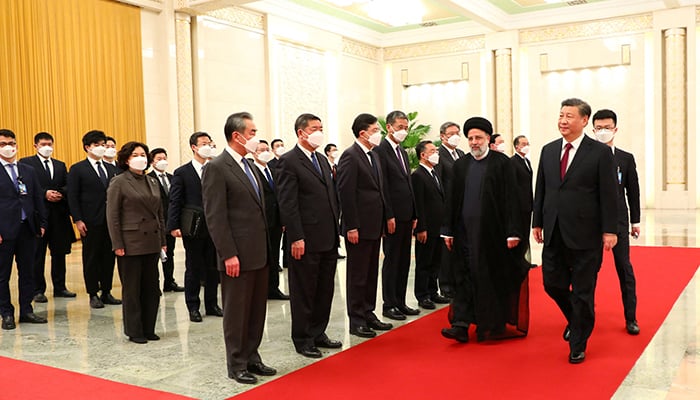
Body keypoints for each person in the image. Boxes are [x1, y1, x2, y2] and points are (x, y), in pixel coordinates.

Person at [533, 98, 618, 364]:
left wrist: (610, 230)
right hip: (554, 230)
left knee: (583, 290)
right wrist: (537, 221)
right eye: (561, 115)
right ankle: (578, 318)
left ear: (584, 121)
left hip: (586, 234)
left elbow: (609, 194)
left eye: (569, 116)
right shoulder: (548, 150)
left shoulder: (600, 153)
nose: (563, 120)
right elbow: (542, 189)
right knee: (552, 284)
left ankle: (578, 342)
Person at [202, 111, 276, 385]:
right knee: (237, 311)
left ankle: (252, 355)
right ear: (237, 135)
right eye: (253, 133)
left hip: (259, 252)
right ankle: (236, 363)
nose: (256, 138)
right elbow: (215, 216)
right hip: (237, 254)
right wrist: (228, 253)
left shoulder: (252, 166)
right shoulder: (217, 167)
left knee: (256, 309)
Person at [441, 117, 529, 344]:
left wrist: (513, 232)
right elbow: (452, 200)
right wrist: (448, 230)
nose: (473, 142)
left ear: (488, 139)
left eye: (478, 138)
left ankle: (489, 325)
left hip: (493, 235)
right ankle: (460, 325)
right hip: (463, 234)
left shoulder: (502, 163)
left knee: (488, 277)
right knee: (463, 276)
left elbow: (512, 200)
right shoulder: (460, 165)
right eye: (470, 138)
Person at [277, 113, 342, 358]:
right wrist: (296, 237)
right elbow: (288, 203)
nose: (319, 132)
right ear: (301, 132)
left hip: (327, 236)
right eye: (315, 128)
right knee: (304, 290)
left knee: (324, 289)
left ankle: (318, 332)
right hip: (305, 238)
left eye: (321, 127)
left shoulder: (322, 160)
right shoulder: (289, 161)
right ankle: (303, 338)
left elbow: (330, 197)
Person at [336, 113, 393, 338]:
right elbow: (346, 193)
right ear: (363, 133)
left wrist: (387, 216)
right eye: (375, 130)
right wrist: (351, 226)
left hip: (374, 224)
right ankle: (356, 319)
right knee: (358, 274)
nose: (378, 134)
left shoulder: (373, 155)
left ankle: (369, 313)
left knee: (370, 273)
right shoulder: (350, 156)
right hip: (358, 226)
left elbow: (380, 189)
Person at [107, 142, 165, 344]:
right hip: (130, 242)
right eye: (135, 154)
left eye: (143, 154)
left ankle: (149, 327)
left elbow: (160, 214)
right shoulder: (119, 182)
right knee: (132, 289)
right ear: (126, 159)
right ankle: (134, 330)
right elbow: (112, 215)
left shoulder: (153, 181)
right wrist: (117, 244)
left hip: (152, 240)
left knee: (151, 287)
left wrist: (163, 241)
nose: (140, 157)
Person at [591, 108, 640, 335]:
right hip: (591, 223)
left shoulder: (625, 159)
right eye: (599, 128)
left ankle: (631, 317)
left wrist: (635, 222)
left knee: (624, 269)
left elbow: (633, 192)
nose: (603, 131)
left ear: (615, 129)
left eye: (607, 128)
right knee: (588, 272)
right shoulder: (585, 157)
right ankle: (581, 320)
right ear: (593, 130)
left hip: (619, 222)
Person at [167, 132, 222, 322]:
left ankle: (212, 304)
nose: (208, 146)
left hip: (215, 226)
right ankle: (193, 306)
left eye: (210, 143)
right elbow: (175, 200)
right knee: (194, 267)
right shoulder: (182, 172)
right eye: (204, 143)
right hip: (193, 227)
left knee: (213, 267)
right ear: (194, 147)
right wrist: (173, 225)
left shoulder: (216, 168)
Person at [19, 132, 76, 303]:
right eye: (43, 144)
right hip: (38, 216)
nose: (47, 147)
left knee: (59, 253)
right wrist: (44, 193)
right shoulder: (26, 163)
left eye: (50, 144)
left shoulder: (60, 165)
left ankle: (60, 287)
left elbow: (68, 184)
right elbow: (25, 186)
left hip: (58, 215)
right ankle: (38, 290)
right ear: (35, 146)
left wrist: (60, 193)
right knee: (37, 254)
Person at [0, 129, 48, 330]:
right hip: (4, 231)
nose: (8, 147)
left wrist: (42, 223)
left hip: (28, 228)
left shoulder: (27, 170)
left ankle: (27, 309)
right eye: (3, 144)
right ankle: (6, 313)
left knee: (27, 272)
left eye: (11, 142)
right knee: (2, 274)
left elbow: (37, 197)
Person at [373, 110, 419, 321]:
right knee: (392, 260)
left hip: (407, 214)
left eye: (406, 127)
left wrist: (415, 213)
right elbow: (384, 187)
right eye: (400, 127)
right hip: (393, 216)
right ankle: (388, 304)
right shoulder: (381, 151)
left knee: (403, 261)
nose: (403, 131)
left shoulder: (401, 151)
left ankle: (400, 301)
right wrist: (388, 215)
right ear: (389, 127)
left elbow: (408, 184)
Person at [67, 130, 120, 309]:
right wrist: (78, 219)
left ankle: (106, 291)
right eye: (97, 145)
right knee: (91, 257)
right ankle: (93, 293)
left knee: (108, 257)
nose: (101, 148)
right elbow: (73, 196)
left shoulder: (112, 168)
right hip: (90, 221)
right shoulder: (78, 169)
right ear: (87, 147)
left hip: (110, 221)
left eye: (103, 145)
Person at [250, 139, 289, 300]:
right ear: (254, 152)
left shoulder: (273, 169)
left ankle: (273, 288)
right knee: (262, 257)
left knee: (273, 256)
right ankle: (260, 290)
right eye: (261, 150)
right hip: (261, 221)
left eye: (267, 149)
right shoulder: (252, 171)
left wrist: (283, 220)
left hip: (276, 221)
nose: (265, 152)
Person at [411, 141, 445, 310]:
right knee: (424, 261)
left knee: (435, 261)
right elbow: (419, 204)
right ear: (423, 155)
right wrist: (421, 228)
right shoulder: (418, 175)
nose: (436, 154)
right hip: (427, 227)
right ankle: (422, 294)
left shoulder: (435, 172)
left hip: (438, 226)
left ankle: (433, 291)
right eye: (432, 151)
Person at [147, 148, 184, 292]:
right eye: (158, 159)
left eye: (164, 158)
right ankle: (154, 285)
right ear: (152, 162)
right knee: (155, 254)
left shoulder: (172, 177)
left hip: (170, 222)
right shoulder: (149, 178)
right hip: (155, 222)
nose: (162, 161)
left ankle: (169, 281)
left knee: (170, 253)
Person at [436, 121, 465, 300]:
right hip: (447, 206)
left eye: (457, 132)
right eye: (452, 133)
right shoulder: (439, 155)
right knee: (446, 251)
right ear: (443, 136)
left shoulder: (461, 154)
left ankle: (457, 282)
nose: (456, 136)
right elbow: (439, 182)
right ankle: (445, 285)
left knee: (458, 249)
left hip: (462, 207)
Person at [510, 135, 534, 266]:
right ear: (517, 146)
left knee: (526, 232)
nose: (526, 146)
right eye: (523, 144)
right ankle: (518, 260)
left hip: (527, 204)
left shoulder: (527, 162)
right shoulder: (513, 162)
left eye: (527, 143)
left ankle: (525, 259)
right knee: (519, 233)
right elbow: (514, 186)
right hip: (518, 205)